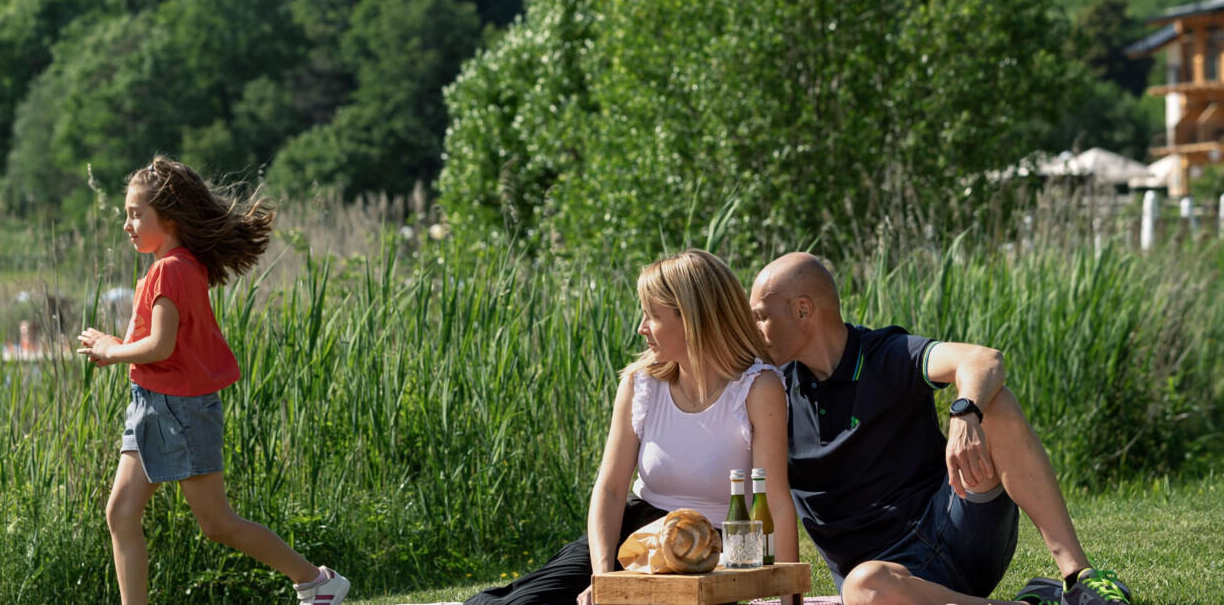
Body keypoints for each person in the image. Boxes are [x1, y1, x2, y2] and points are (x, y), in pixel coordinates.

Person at [749, 252, 1133, 605]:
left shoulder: (887, 353)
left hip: (960, 529)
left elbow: (984, 359)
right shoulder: (772, 393)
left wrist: (965, 413)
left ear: (803, 310)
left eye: (761, 316)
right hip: (889, 582)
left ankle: (1079, 578)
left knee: (994, 402)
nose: (754, 330)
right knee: (863, 586)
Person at [440, 248, 797, 605]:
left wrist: (788, 599)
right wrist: (604, 577)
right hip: (636, 530)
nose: (641, 328)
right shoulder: (641, 384)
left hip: (707, 550)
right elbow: (610, 490)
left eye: (652, 315)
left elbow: (777, 503)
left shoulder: (757, 388)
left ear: (692, 319)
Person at [77, 156, 350, 605]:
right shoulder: (169, 266)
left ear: (168, 217)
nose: (126, 224)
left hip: (179, 409)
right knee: (121, 514)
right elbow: (152, 341)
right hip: (150, 404)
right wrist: (113, 343)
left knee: (217, 524)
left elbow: (160, 347)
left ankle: (317, 582)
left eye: (134, 213)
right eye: (125, 214)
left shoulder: (172, 268)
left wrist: (111, 350)